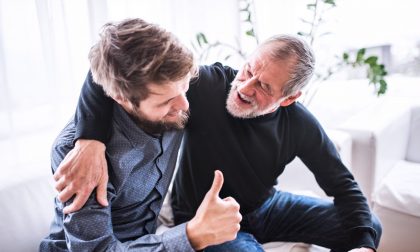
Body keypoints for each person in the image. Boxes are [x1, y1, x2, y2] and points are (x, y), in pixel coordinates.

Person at [54, 34, 382, 252]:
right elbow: (116, 66)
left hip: (266, 208)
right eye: (249, 70)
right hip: (201, 215)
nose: (246, 87)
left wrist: (364, 245)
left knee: (368, 225)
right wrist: (90, 140)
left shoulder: (299, 124)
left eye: (265, 87)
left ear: (289, 98)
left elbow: (344, 185)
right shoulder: (207, 84)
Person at [40, 18, 242, 251]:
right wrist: (192, 235)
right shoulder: (75, 154)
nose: (184, 105)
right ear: (120, 98)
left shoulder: (171, 90)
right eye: (166, 101)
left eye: (186, 87)